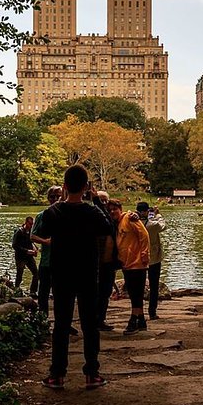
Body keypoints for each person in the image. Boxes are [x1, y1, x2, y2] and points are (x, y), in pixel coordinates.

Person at [37, 165, 113, 389]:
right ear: (87, 187)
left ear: (64, 186)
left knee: (61, 324)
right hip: (88, 273)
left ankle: (57, 374)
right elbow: (108, 226)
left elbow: (43, 232)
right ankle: (92, 373)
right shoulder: (92, 212)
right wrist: (96, 199)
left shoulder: (54, 212)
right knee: (90, 325)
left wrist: (60, 199)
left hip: (61, 273)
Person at [109, 200, 150, 334]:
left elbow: (144, 235)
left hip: (137, 262)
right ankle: (141, 320)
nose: (112, 212)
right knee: (134, 293)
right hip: (126, 263)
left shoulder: (129, 218)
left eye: (115, 209)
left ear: (121, 209)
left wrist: (144, 255)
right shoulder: (116, 223)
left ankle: (133, 321)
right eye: (110, 210)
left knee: (136, 293)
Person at [31, 185, 63, 318]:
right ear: (48, 198)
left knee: (62, 294)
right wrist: (45, 242)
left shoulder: (67, 213)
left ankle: (63, 321)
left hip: (64, 261)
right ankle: (43, 319)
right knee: (43, 292)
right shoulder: (42, 215)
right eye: (52, 196)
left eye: (58, 196)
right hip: (47, 261)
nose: (55, 199)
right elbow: (32, 236)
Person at [136, 201, 166, 320]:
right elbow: (163, 225)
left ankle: (138, 312)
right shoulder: (153, 225)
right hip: (153, 258)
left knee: (139, 286)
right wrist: (158, 214)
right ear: (147, 211)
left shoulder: (134, 223)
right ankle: (152, 312)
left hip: (138, 258)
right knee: (154, 286)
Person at [95, 190, 118, 331]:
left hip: (109, 263)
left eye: (105, 201)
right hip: (95, 263)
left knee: (105, 292)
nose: (103, 204)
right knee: (95, 292)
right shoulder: (93, 217)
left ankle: (101, 319)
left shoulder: (114, 221)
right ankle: (94, 319)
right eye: (100, 200)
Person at [12, 216, 39, 298]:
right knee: (19, 274)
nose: (31, 226)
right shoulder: (19, 232)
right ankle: (16, 290)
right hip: (20, 257)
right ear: (26, 222)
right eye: (30, 224)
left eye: (32, 224)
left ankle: (33, 291)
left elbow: (31, 242)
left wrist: (35, 249)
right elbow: (15, 246)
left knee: (36, 273)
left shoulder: (30, 231)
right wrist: (27, 251)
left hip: (29, 257)